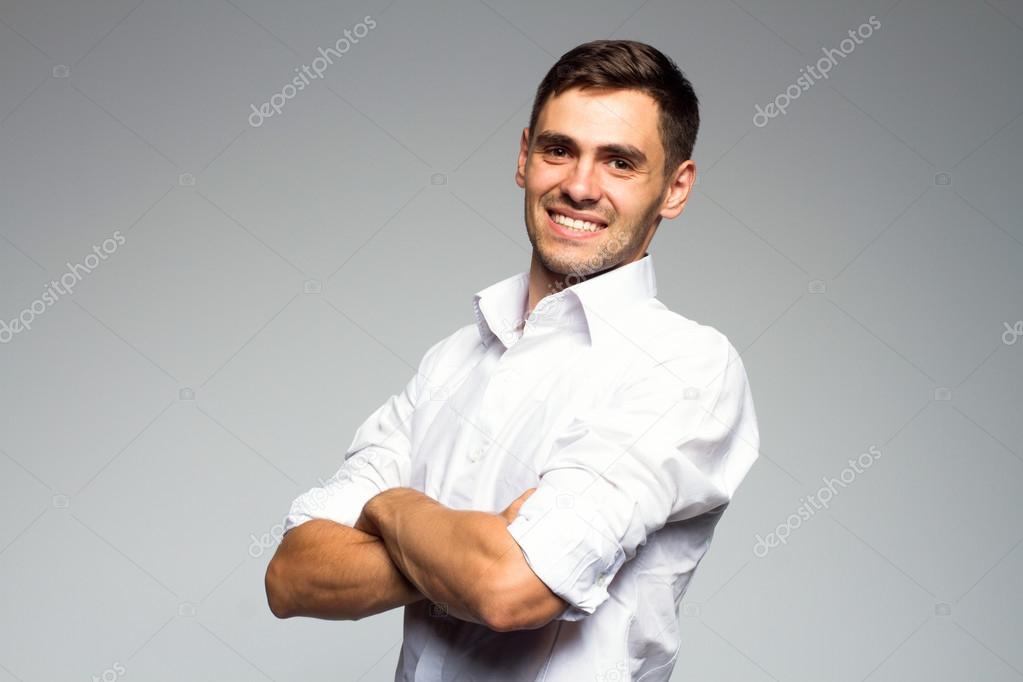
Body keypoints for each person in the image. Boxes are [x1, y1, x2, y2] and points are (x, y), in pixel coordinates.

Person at [265, 39, 760, 681]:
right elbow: (292, 576)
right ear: (524, 156)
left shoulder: (685, 366)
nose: (580, 186)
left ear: (675, 188)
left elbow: (510, 589)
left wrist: (392, 509)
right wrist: (465, 551)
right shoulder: (452, 361)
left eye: (619, 162)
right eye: (560, 150)